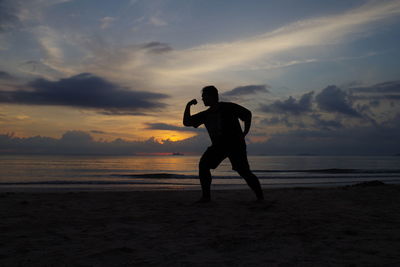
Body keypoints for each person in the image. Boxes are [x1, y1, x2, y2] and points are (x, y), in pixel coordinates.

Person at [183, 85, 264, 202]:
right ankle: (206, 197)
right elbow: (187, 122)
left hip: (235, 145)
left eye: (204, 97)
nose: (202, 99)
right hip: (219, 146)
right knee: (204, 165)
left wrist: (245, 132)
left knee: (244, 171)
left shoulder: (229, 107)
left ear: (211, 96)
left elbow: (247, 114)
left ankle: (260, 198)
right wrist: (188, 105)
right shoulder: (206, 114)